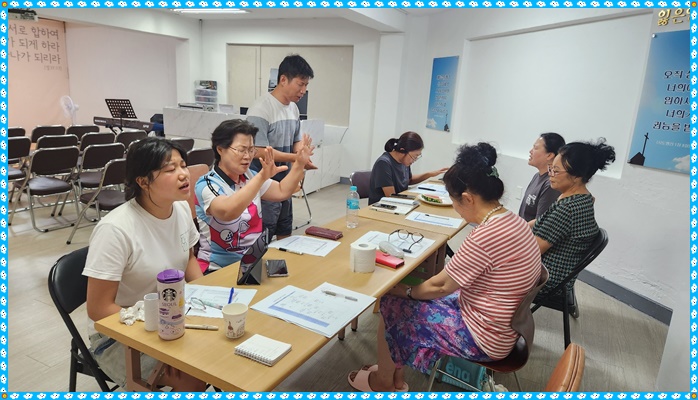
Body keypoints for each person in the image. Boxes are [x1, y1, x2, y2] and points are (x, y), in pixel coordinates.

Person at [348, 142, 542, 392]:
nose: (457, 211)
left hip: (484, 336)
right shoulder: (513, 220)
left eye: (455, 203)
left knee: (392, 302)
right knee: (404, 298)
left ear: (468, 198)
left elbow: (440, 286)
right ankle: (395, 375)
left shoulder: (486, 235)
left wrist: (404, 291)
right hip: (502, 323)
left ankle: (383, 382)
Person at [83, 137, 207, 391]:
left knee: (220, 350)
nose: (184, 174)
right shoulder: (115, 229)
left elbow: (189, 259)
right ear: (143, 181)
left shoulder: (181, 209)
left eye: (183, 166)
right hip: (118, 334)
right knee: (193, 375)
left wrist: (209, 297)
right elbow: (98, 308)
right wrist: (156, 325)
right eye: (170, 169)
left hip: (173, 315)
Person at [195, 119, 312, 273]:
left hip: (252, 262)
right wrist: (262, 176)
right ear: (220, 149)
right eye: (241, 150)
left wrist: (300, 163)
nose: (247, 156)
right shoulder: (207, 184)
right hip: (218, 268)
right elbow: (228, 212)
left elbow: (282, 191)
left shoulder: (249, 176)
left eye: (251, 150)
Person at [531, 138, 615, 295]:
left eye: (556, 171)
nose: (550, 175)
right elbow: (545, 221)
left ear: (577, 176)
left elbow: (532, 251)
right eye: (551, 168)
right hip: (555, 274)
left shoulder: (568, 209)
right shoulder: (584, 198)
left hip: (544, 279)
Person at [246, 54, 316, 240]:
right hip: (265, 185)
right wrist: (296, 158)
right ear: (283, 80)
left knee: (285, 231)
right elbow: (257, 151)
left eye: (306, 85)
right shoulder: (261, 109)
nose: (303, 90)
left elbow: (296, 141)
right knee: (264, 237)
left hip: (286, 182)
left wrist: (302, 153)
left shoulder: (293, 108)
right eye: (300, 84)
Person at [368, 131, 448, 205]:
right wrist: (414, 199)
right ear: (402, 150)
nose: (414, 160)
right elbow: (391, 196)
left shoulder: (403, 161)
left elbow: (409, 180)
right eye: (414, 156)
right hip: (383, 207)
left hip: (399, 204)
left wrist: (430, 174)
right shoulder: (384, 163)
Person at [518, 132, 566, 223]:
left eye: (535, 148)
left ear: (549, 155)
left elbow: (540, 222)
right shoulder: (537, 176)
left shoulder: (551, 184)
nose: (530, 151)